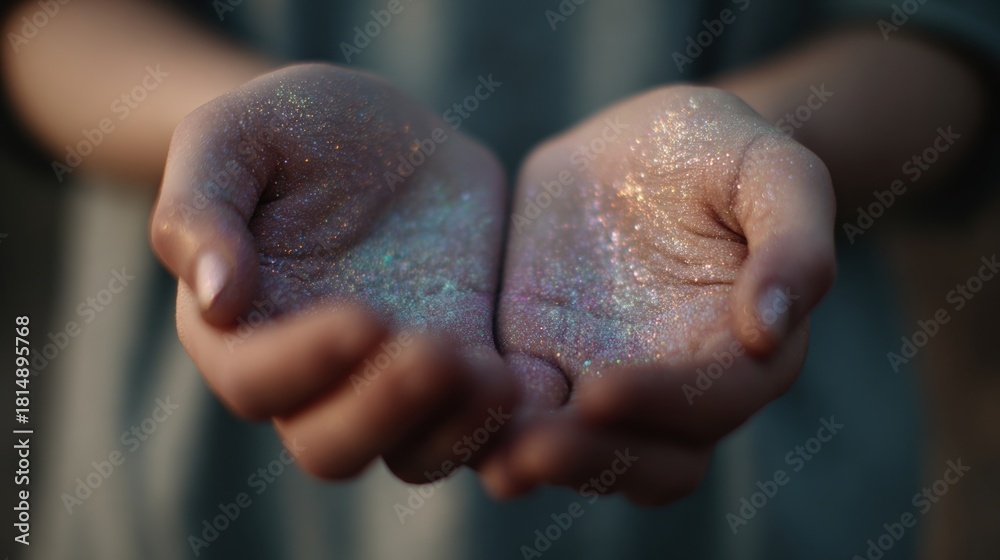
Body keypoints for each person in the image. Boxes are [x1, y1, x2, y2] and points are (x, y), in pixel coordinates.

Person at [3, 1, 997, 558]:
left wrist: (764, 140)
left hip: (748, 460)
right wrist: (238, 135)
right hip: (206, 480)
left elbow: (946, 34)